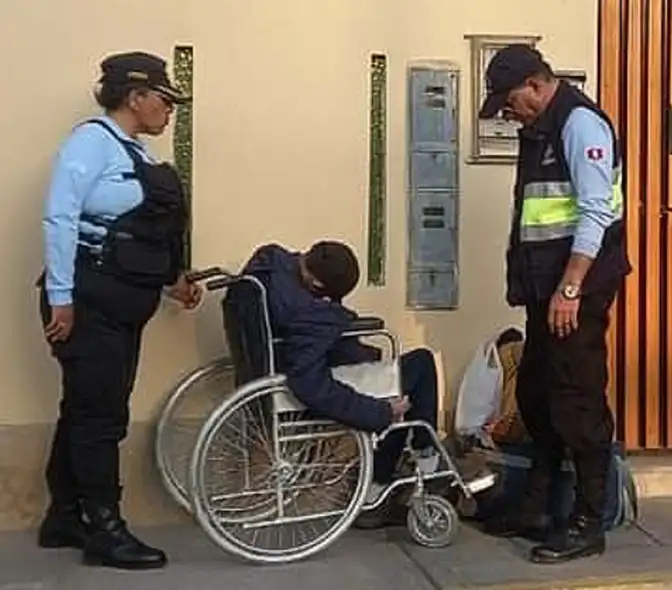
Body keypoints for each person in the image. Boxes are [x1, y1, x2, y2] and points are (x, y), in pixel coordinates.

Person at [37, 51, 201, 570]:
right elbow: (60, 217)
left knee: (85, 408)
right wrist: (61, 297)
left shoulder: (137, 153)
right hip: (86, 303)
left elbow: (143, 233)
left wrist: (173, 282)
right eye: (165, 99)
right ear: (135, 97)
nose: (170, 110)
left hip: (120, 305)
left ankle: (64, 514)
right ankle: (105, 529)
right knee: (100, 417)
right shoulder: (91, 142)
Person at [477, 44, 631, 564]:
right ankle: (537, 507)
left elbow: (595, 213)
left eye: (510, 100)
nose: (507, 111)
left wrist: (569, 288)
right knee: (538, 396)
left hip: (576, 291)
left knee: (577, 400)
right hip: (548, 291)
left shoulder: (580, 125)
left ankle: (589, 521)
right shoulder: (542, 128)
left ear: (536, 85)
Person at [240, 241, 442, 526]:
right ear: (316, 282)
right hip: (308, 381)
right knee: (419, 367)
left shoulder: (269, 265)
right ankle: (417, 466)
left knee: (391, 369)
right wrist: (380, 413)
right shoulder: (312, 314)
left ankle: (399, 470)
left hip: (277, 364)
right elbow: (310, 383)